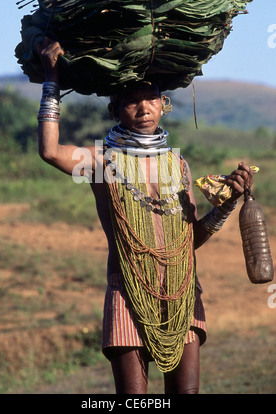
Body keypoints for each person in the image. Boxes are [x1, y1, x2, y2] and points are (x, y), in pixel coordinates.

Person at [36, 37, 254, 394]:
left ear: (163, 104)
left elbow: (189, 241)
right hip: (128, 292)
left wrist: (226, 205)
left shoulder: (177, 165)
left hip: (182, 293)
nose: (143, 107)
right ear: (115, 110)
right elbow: (49, 151)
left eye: (151, 97)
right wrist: (52, 80)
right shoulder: (101, 163)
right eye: (132, 100)